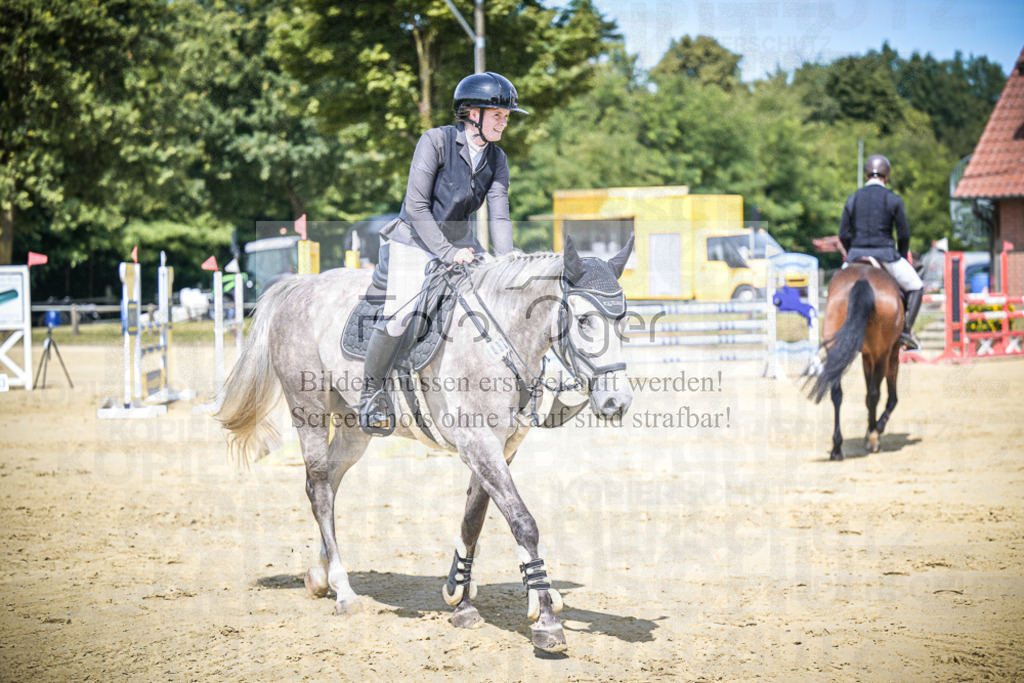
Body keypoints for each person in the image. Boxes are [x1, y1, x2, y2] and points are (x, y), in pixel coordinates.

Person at [358, 72, 528, 433]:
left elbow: (499, 213)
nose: (504, 121)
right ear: (471, 113)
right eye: (497, 114)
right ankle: (371, 394)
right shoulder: (434, 141)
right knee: (400, 315)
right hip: (414, 241)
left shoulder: (497, 159)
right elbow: (417, 207)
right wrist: (447, 253)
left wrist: (508, 261)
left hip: (462, 244)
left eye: (506, 116)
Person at [839, 154, 924, 350]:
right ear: (886, 176)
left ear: (867, 174)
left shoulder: (853, 198)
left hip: (855, 256)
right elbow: (904, 234)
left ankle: (838, 326)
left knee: (838, 286)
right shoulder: (893, 199)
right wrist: (901, 256)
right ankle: (905, 332)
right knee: (917, 286)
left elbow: (843, 233)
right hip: (886, 255)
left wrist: (852, 251)